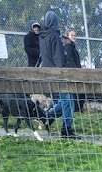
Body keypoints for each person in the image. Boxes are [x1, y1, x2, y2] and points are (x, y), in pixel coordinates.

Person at [37, 11, 78, 139]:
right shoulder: (54, 35)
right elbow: (58, 55)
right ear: (54, 22)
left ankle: (47, 117)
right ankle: (66, 129)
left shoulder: (42, 36)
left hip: (49, 72)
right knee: (67, 101)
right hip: (59, 73)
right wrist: (63, 70)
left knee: (66, 100)